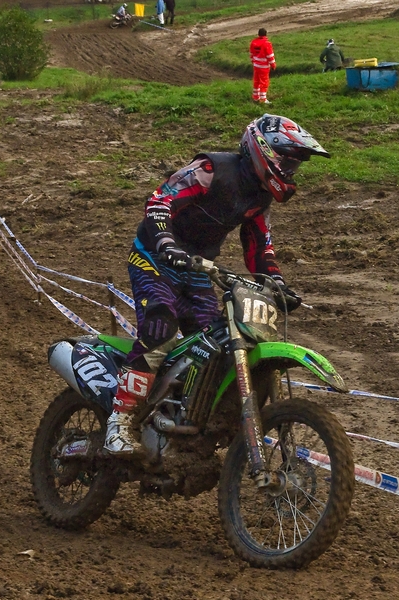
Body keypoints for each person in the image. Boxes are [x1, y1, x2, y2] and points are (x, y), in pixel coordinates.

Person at [104, 114, 331, 455]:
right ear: (263, 150)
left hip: (197, 270)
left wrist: (277, 283)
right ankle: (118, 422)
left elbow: (259, 247)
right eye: (286, 162)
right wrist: (166, 243)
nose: (289, 171)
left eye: (294, 166)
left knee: (215, 343)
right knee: (160, 328)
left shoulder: (260, 197)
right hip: (154, 259)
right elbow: (160, 201)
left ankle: (182, 415)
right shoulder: (211, 170)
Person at [249, 28, 276, 104]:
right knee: (264, 82)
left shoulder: (253, 42)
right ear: (266, 34)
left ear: (258, 34)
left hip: (256, 65)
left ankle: (255, 97)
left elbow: (251, 53)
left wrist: (253, 61)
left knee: (256, 81)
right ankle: (263, 99)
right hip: (264, 66)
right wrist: (273, 65)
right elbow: (270, 56)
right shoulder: (267, 44)